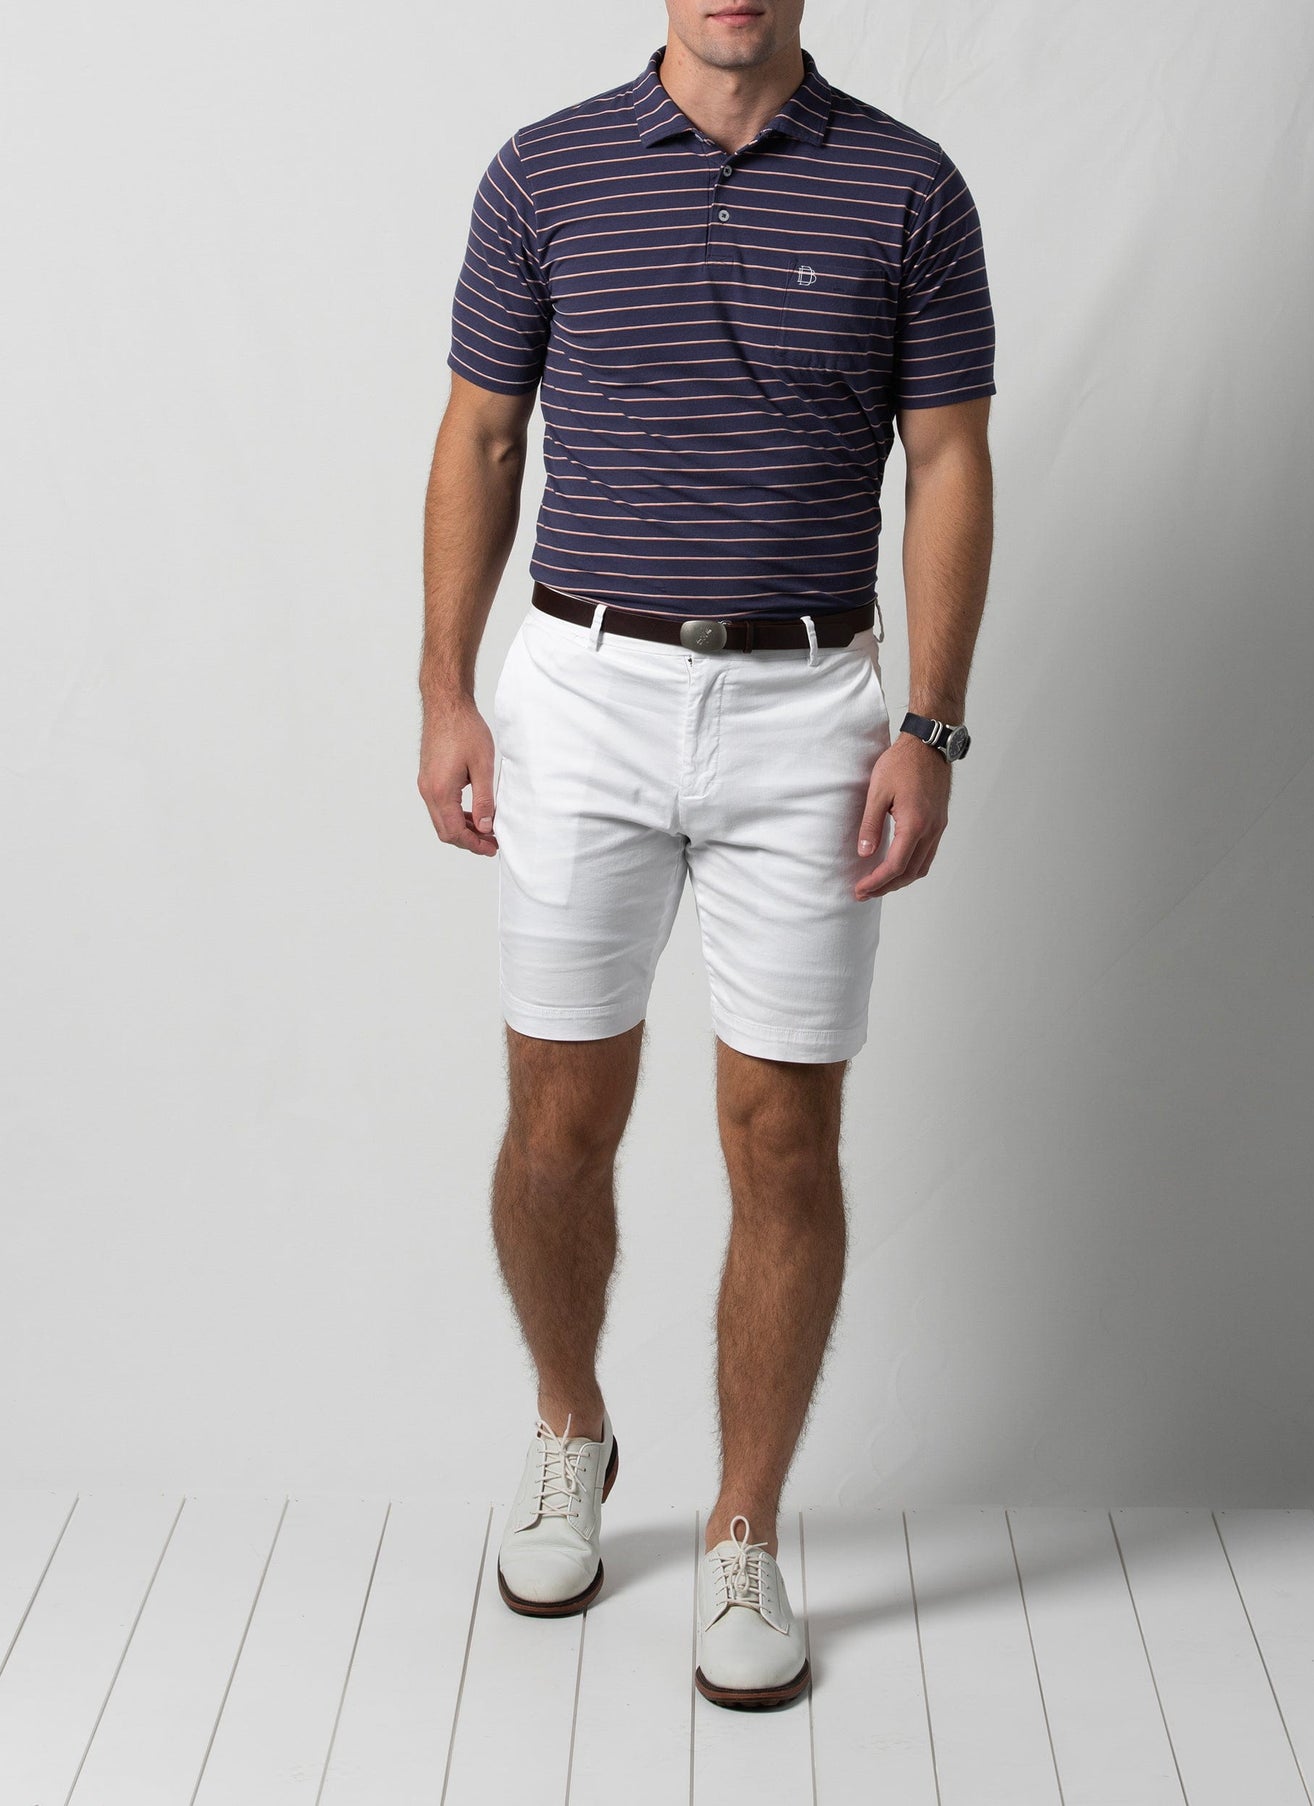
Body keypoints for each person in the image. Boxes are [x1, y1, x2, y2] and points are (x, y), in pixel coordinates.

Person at [417, 0, 995, 1711]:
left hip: (810, 707)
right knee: (556, 1119)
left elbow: (946, 458)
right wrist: (445, 690)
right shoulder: (546, 173)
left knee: (781, 1134)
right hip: (580, 689)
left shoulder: (906, 185)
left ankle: (744, 1525)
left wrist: (932, 723)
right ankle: (569, 1426)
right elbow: (481, 433)